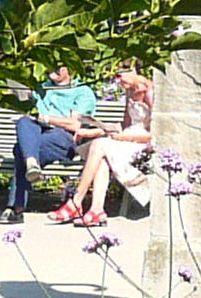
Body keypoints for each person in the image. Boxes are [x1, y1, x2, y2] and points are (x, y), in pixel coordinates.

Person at [57, 68, 155, 226]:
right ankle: (96, 210)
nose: (117, 81)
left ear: (133, 70)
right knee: (101, 152)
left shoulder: (151, 93)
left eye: (119, 76)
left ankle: (76, 202)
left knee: (99, 145)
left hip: (144, 143)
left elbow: (157, 134)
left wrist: (124, 137)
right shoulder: (130, 91)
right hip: (126, 139)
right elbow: (125, 125)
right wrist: (95, 130)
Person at [5, 66, 100, 223]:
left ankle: (16, 207)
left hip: (64, 137)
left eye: (58, 66)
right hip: (38, 134)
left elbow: (75, 125)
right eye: (49, 65)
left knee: (21, 149)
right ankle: (31, 162)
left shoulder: (82, 91)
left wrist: (46, 119)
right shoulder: (41, 89)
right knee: (24, 121)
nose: (52, 69)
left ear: (69, 69)